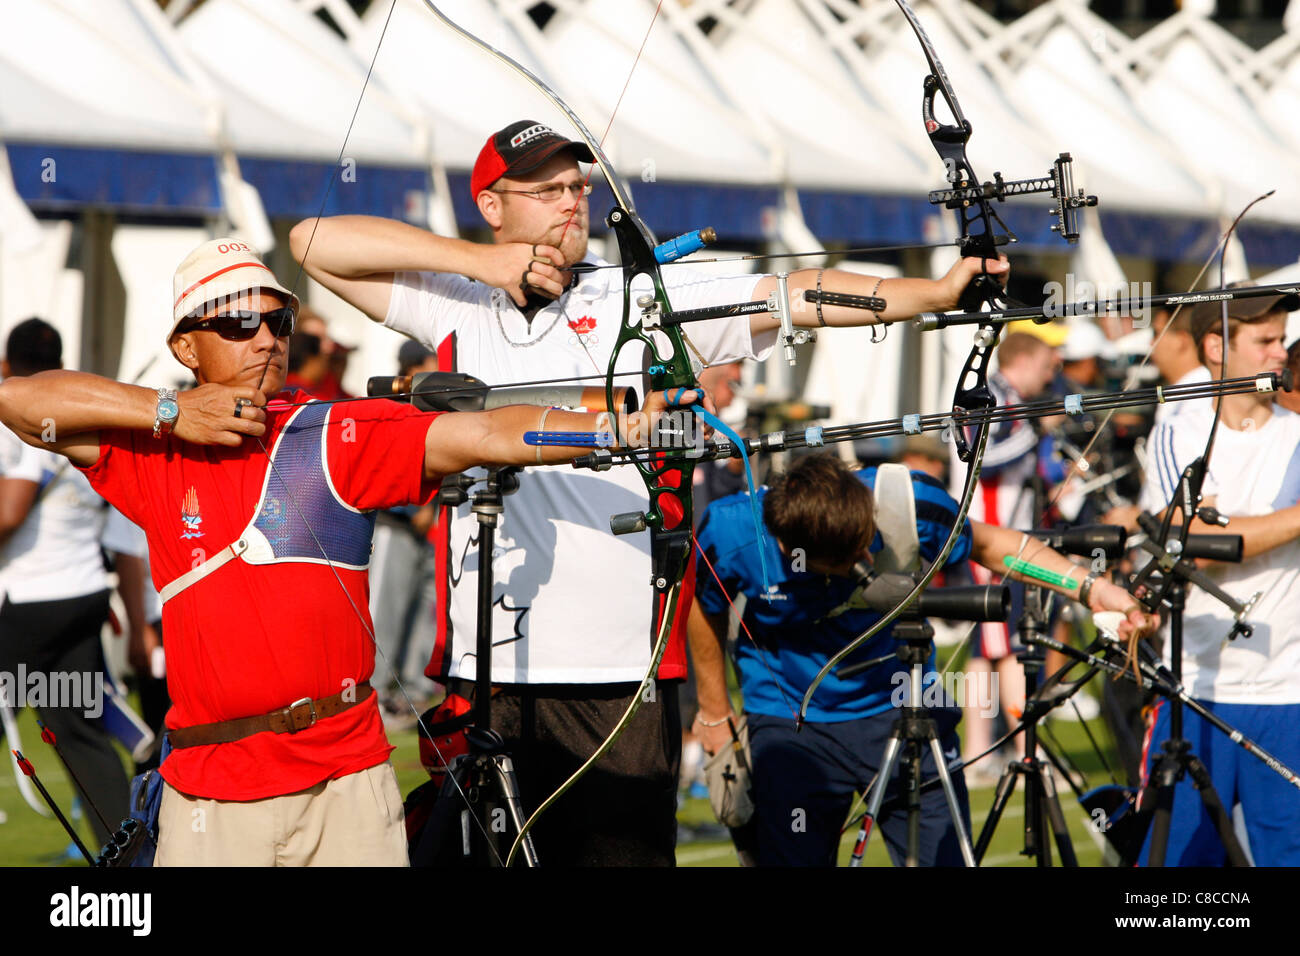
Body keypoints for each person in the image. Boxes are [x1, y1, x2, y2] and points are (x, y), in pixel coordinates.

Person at [290, 119, 1008, 865]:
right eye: (546, 190)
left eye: (578, 186)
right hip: (491, 670)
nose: (571, 202)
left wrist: (934, 291)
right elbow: (312, 241)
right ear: (494, 205)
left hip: (622, 678)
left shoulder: (646, 295)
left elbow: (795, 294)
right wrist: (478, 262)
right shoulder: (453, 300)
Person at [0, 238, 687, 867]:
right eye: (239, 322)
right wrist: (174, 412)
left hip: (346, 785)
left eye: (278, 323)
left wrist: (610, 428)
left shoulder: (333, 434)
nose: (266, 338)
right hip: (211, 790)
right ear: (186, 346)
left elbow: (483, 434)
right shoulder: (150, 450)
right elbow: (20, 400)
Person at [688, 453, 1152, 866]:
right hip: (790, 717)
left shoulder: (913, 503)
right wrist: (714, 712)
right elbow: (702, 607)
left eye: (868, 541)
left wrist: (1093, 589)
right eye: (851, 559)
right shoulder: (730, 531)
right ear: (793, 551)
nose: (868, 557)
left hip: (903, 703)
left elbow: (996, 546)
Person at [1138, 290, 1300, 866]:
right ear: (1215, 347)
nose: (1280, 352)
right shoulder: (1178, 432)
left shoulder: (1296, 432)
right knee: (1181, 872)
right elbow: (1185, 546)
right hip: (1196, 694)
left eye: (1282, 339)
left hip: (1290, 691)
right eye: (1265, 341)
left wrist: (1229, 524)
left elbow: (1211, 534)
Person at [0, 318, 126, 850]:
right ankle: (132, 862)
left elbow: (9, 513)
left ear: (7, 366)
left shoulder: (20, 414)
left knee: (77, 731)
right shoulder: (82, 412)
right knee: (80, 737)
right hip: (82, 595)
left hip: (30, 602)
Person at [955, 331, 1060, 772]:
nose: (1051, 376)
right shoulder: (991, 395)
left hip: (996, 539)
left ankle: (981, 750)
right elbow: (977, 456)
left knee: (988, 649)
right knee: (1009, 649)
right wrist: (1035, 432)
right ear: (1025, 360)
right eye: (1047, 366)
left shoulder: (1007, 397)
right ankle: (1020, 751)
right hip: (989, 540)